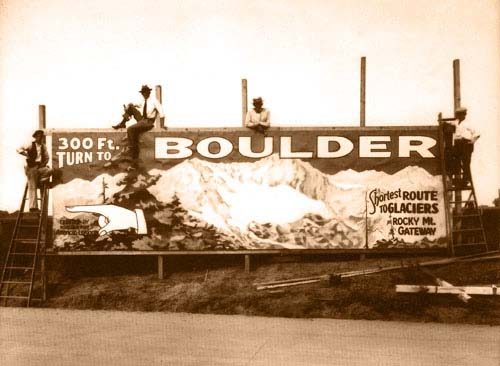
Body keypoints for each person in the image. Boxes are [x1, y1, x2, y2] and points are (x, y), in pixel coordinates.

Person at [112, 85, 164, 161]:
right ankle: (122, 123)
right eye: (142, 93)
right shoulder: (143, 101)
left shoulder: (154, 101)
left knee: (130, 129)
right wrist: (130, 105)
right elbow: (136, 105)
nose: (144, 94)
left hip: (148, 122)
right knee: (131, 107)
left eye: (145, 93)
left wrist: (162, 126)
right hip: (142, 120)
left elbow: (162, 113)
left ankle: (131, 149)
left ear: (149, 93)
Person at [17, 130, 53, 212]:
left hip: (39, 167)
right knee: (32, 186)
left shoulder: (43, 146)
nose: (40, 138)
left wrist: (43, 164)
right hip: (31, 167)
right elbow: (18, 149)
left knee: (50, 170)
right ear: (35, 137)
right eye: (38, 136)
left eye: (41, 136)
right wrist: (26, 154)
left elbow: (47, 157)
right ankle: (33, 207)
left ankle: (41, 179)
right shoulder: (30, 144)